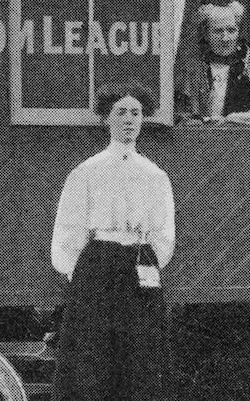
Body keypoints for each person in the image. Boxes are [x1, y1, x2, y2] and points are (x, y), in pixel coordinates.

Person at [51, 82, 175, 401]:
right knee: (94, 354)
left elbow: (163, 234)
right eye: (121, 113)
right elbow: (70, 226)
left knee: (139, 354)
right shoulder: (87, 172)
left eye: (136, 113)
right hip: (98, 265)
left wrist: (144, 260)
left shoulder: (154, 175)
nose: (129, 120)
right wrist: (78, 272)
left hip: (138, 266)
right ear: (107, 119)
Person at [176, 0, 250, 125]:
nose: (225, 38)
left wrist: (231, 120)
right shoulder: (193, 68)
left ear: (239, 32)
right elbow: (178, 111)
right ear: (206, 34)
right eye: (218, 31)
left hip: (244, 140)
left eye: (231, 30)